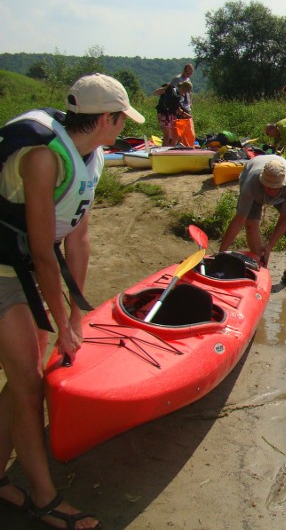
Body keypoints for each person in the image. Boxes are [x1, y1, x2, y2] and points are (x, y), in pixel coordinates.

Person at [0, 73, 144, 530]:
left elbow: (77, 238)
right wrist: (60, 324)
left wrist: (77, 316)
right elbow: (45, 253)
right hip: (5, 269)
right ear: (106, 118)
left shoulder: (93, 155)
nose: (123, 128)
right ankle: (43, 499)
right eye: (121, 120)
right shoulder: (43, 158)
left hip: (23, 266)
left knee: (28, 372)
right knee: (27, 381)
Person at [219, 155, 286, 287]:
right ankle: (259, 268)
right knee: (251, 224)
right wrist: (221, 253)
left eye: (275, 187)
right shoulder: (251, 182)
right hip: (254, 191)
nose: (270, 191)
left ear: (283, 183)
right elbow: (239, 220)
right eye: (267, 186)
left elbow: (285, 219)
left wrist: (269, 247)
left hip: (282, 197)